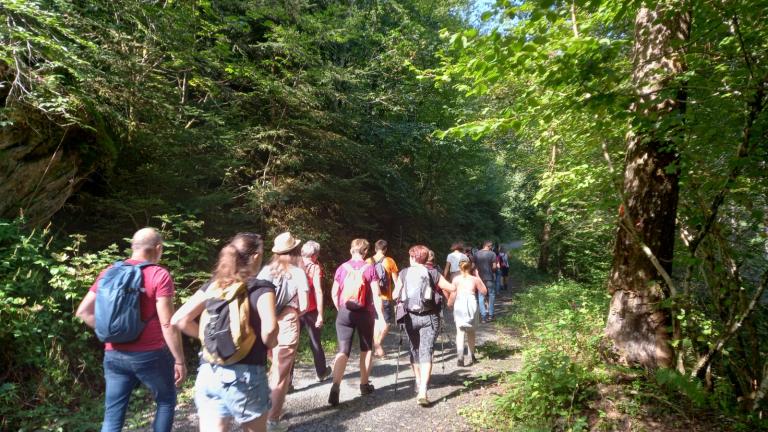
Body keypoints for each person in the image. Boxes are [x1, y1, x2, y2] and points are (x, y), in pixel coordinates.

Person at [75, 228, 186, 432]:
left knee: (112, 416)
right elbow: (167, 323)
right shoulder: (158, 274)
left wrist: (112, 332)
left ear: (133, 247)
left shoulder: (109, 271)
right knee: (166, 401)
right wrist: (179, 359)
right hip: (150, 354)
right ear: (158, 248)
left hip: (113, 354)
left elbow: (83, 311)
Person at [171, 233, 278, 432]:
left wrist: (208, 336)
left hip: (209, 372)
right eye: (261, 254)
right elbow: (270, 330)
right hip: (246, 375)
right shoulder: (262, 289)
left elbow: (179, 320)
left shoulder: (213, 286)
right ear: (255, 257)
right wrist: (270, 343)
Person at [256, 232, 309, 432]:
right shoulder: (297, 272)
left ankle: (264, 412)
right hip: (287, 322)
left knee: (271, 369)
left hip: (264, 323)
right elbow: (304, 305)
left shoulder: (265, 271)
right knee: (281, 373)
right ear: (295, 251)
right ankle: (272, 422)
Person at [393, 245, 455, 407]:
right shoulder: (433, 273)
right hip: (430, 317)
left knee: (414, 349)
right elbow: (451, 287)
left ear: (413, 257)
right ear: (426, 258)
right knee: (426, 350)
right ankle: (423, 391)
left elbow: (394, 295)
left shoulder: (404, 273)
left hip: (410, 318)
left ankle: (418, 381)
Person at [328, 239, 385, 406]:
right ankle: (364, 385)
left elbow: (333, 292)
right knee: (366, 349)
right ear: (366, 251)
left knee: (343, 350)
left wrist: (341, 309)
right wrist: (380, 316)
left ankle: (335, 386)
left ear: (351, 250)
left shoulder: (342, 268)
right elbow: (376, 294)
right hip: (364, 314)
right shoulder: (370, 268)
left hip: (345, 313)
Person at [298, 240, 331, 381]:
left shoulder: (293, 264)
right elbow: (318, 291)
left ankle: (287, 381)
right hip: (310, 310)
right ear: (314, 255)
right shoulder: (315, 268)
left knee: (291, 345)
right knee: (315, 342)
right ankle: (321, 372)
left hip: (293, 310)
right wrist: (320, 315)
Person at [450, 260, 487, 366]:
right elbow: (484, 291)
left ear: (459, 268)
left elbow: (453, 294)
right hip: (471, 304)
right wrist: (478, 275)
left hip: (460, 303)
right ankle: (471, 355)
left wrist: (449, 303)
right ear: (470, 267)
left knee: (460, 331)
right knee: (471, 331)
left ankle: (460, 357)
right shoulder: (474, 279)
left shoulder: (456, 279)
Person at [367, 239, 399, 357]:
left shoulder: (368, 261)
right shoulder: (390, 261)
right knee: (387, 323)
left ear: (375, 249)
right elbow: (396, 281)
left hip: (371, 297)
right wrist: (396, 295)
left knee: (376, 321)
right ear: (385, 249)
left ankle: (376, 347)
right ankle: (377, 345)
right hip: (385, 297)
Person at [474, 240, 497, 322]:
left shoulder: (476, 254)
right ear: (489, 246)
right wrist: (493, 271)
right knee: (491, 295)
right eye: (491, 246)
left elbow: (474, 266)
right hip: (489, 277)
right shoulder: (492, 254)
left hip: (480, 278)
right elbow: (494, 267)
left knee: (481, 296)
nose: (492, 247)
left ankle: (483, 316)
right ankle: (490, 315)